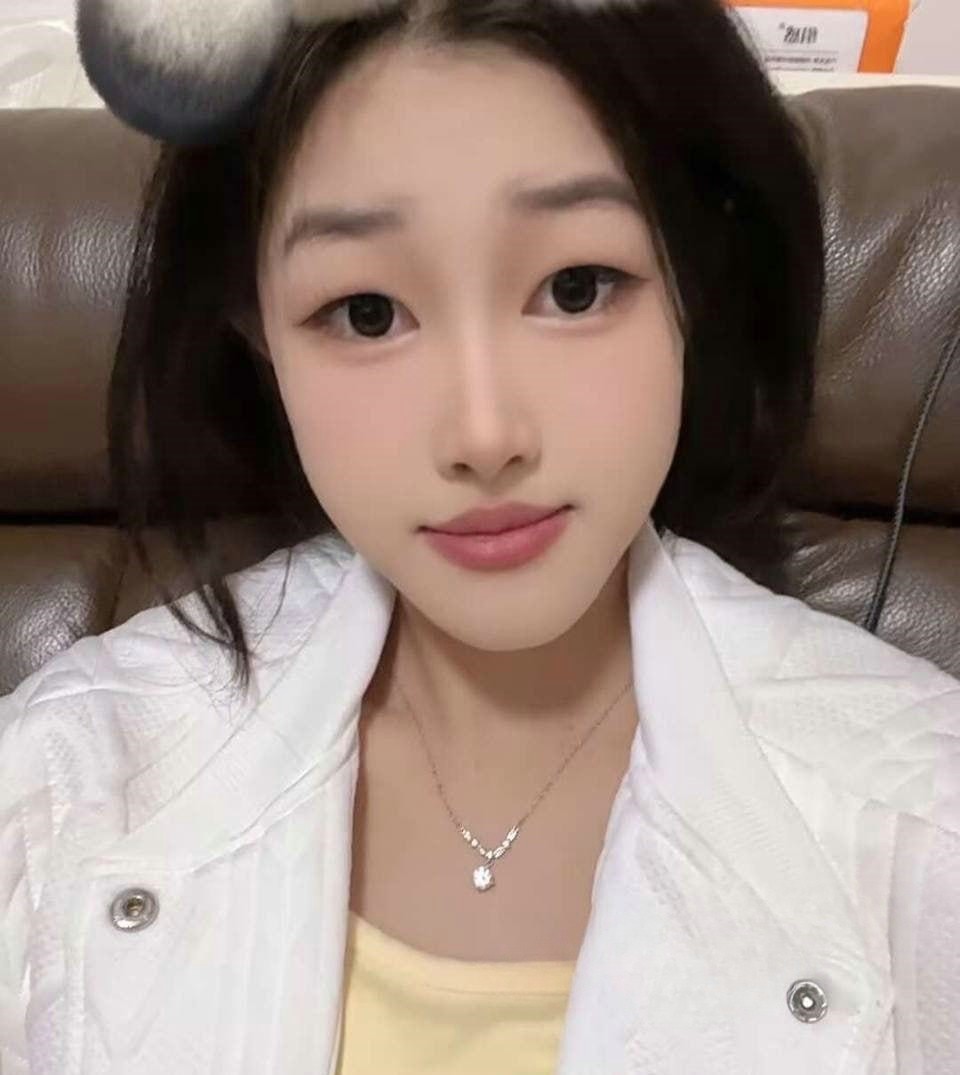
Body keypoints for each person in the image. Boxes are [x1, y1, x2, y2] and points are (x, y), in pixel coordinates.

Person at [1, 0, 958, 1072]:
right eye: (367, 313)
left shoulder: (922, 823)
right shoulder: (61, 782)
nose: (484, 434)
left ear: (700, 278)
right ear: (255, 327)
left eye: (577, 288)